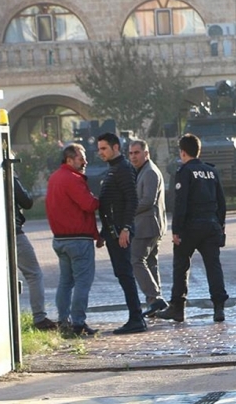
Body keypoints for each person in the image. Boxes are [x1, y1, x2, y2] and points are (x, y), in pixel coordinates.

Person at [156, 134, 229, 323]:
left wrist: (176, 230)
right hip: (211, 225)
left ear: (182, 152)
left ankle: (177, 308)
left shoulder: (184, 172)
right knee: (214, 267)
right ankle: (219, 308)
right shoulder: (211, 172)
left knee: (181, 267)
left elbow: (180, 203)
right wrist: (221, 225)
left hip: (190, 227)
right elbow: (222, 202)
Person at [45, 144, 102, 337]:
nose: (85, 161)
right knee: (82, 282)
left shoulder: (54, 178)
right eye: (81, 158)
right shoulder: (73, 179)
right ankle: (78, 323)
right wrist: (99, 200)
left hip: (60, 239)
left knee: (65, 282)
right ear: (70, 160)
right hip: (78, 240)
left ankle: (63, 320)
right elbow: (88, 205)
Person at [97, 132, 146, 335]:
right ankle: (135, 316)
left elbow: (131, 200)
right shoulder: (113, 169)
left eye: (104, 148)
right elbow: (108, 204)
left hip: (120, 231)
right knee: (122, 273)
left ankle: (136, 318)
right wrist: (102, 232)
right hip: (112, 231)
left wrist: (126, 227)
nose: (101, 153)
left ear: (116, 147)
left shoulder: (123, 168)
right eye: (99, 149)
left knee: (125, 274)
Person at [126, 140, 168, 317]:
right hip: (150, 225)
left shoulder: (150, 172)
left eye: (137, 152)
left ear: (146, 153)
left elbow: (147, 200)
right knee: (150, 262)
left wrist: (127, 211)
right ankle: (154, 302)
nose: (134, 156)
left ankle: (154, 298)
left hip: (147, 225)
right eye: (131, 153)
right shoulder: (143, 171)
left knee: (136, 260)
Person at [14, 175, 57, 331]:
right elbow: (27, 201)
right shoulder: (9, 175)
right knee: (34, 274)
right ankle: (39, 318)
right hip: (14, 232)